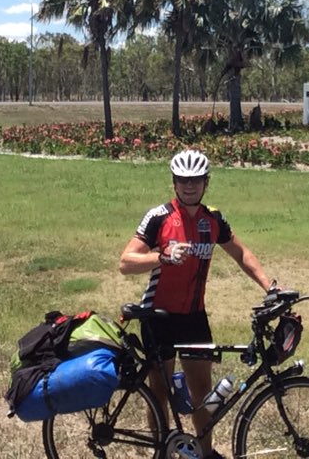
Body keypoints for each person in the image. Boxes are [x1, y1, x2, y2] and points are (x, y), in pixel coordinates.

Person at [119, 149, 275, 459]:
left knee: (202, 392)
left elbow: (242, 254)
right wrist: (161, 257)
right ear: (173, 183)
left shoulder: (213, 219)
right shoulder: (159, 217)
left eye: (196, 181)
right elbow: (125, 262)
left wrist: (270, 286)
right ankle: (162, 452)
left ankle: (204, 453)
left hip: (194, 317)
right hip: (158, 316)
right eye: (182, 181)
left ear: (206, 183)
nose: (189, 187)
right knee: (158, 393)